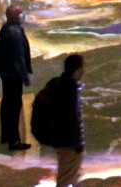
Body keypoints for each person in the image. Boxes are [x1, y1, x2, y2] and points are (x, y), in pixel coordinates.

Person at [0, 4, 33, 152]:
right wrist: (25, 77)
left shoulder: (7, 28)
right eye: (20, 13)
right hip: (13, 75)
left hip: (6, 73)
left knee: (7, 105)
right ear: (14, 16)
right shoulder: (14, 32)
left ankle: (6, 135)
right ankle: (14, 141)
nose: (23, 15)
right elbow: (18, 58)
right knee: (14, 107)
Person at [47, 53, 86, 186]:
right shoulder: (70, 90)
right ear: (78, 69)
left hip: (62, 140)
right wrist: (78, 144)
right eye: (83, 67)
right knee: (66, 178)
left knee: (74, 175)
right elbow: (72, 118)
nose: (84, 71)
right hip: (69, 143)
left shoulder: (58, 85)